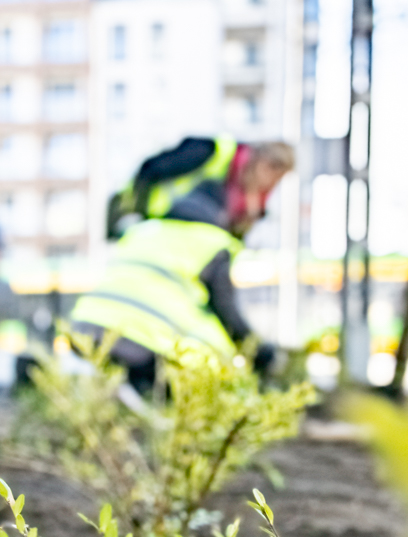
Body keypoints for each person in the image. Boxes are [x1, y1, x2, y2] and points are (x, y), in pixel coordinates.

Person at [71, 149, 292, 394]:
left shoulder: (143, 231)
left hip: (85, 326)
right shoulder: (211, 243)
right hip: (141, 343)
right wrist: (260, 353)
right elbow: (226, 312)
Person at [106, 137, 295, 240]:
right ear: (266, 164)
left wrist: (247, 220)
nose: (271, 186)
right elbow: (151, 170)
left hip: (169, 240)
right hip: (131, 218)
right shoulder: (212, 151)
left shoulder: (246, 200)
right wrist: (140, 217)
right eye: (275, 176)